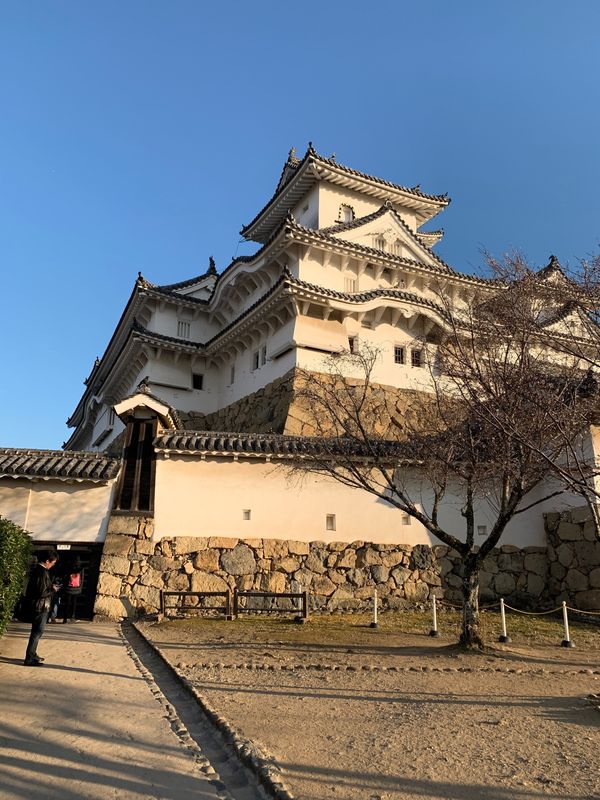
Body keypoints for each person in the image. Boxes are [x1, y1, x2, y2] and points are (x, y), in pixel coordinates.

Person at [23, 550, 59, 666]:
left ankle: (32, 654)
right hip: (40, 606)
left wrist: (50, 586)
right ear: (47, 561)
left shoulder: (39, 571)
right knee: (37, 631)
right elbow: (42, 592)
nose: (53, 565)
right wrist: (53, 589)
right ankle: (30, 657)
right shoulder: (42, 572)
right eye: (52, 563)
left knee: (37, 631)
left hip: (40, 605)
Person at [61, 557, 84, 623]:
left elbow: (65, 577)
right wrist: (80, 587)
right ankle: (72, 617)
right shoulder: (81, 568)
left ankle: (65, 619)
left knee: (67, 603)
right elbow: (82, 579)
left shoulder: (68, 567)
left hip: (69, 588)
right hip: (76, 588)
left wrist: (65, 586)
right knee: (74, 603)